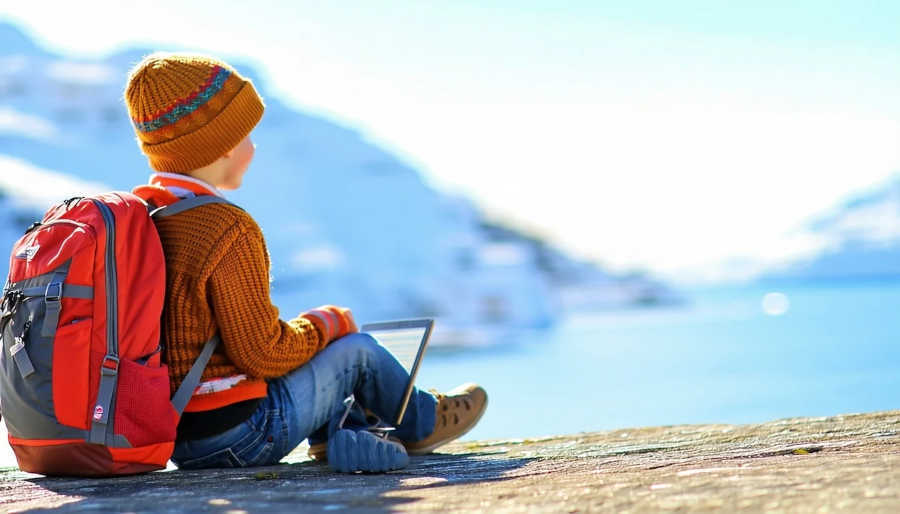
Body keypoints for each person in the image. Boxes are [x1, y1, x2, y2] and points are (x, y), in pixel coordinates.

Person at [124, 53, 487, 472]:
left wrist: (311, 332)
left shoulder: (146, 217)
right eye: (246, 136)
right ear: (220, 145)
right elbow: (262, 353)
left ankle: (339, 436)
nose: (253, 148)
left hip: (176, 437)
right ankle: (424, 420)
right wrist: (326, 325)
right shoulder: (224, 226)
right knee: (357, 351)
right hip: (243, 437)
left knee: (324, 345)